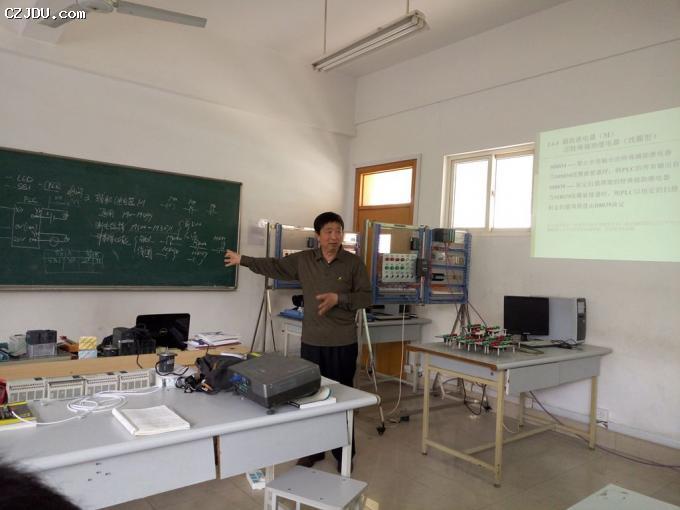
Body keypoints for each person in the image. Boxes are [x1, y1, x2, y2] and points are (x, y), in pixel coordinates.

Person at [224, 212, 371, 471]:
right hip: (312, 342)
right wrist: (242, 260)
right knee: (310, 397)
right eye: (329, 231)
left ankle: (343, 452)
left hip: (342, 343)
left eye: (338, 231)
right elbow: (274, 266)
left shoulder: (353, 263)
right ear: (318, 236)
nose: (334, 237)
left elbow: (366, 298)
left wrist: (339, 299)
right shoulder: (304, 260)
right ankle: (312, 451)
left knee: (341, 399)